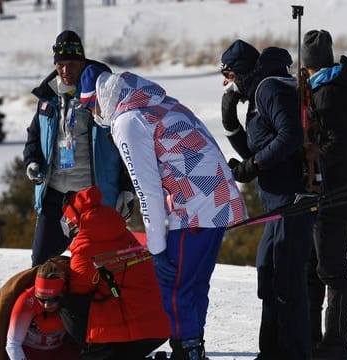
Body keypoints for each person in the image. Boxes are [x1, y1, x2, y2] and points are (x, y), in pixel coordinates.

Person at [80, 66, 247, 360]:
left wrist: (156, 249)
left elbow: (148, 192)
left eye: (90, 105)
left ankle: (187, 351)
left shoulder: (128, 122)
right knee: (194, 284)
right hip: (217, 200)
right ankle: (193, 347)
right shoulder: (156, 103)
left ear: (103, 97)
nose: (93, 114)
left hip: (194, 207)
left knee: (173, 286)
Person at [219, 40, 314, 359]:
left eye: (230, 75)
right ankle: (272, 350)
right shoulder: (261, 92)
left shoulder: (269, 90)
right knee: (268, 273)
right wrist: (232, 128)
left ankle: (295, 352)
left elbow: (291, 137)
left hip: (293, 199)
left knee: (287, 280)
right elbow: (257, 150)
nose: (228, 83)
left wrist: (254, 166)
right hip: (278, 201)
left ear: (243, 71)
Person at [23, 30, 133, 267]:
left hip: (92, 196)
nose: (65, 70)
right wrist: (32, 161)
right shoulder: (48, 97)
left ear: (83, 63)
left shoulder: (105, 94)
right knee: (41, 264)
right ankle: (45, 305)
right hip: (54, 194)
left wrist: (126, 188)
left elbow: (127, 145)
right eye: (60, 64)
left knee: (95, 266)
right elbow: (34, 135)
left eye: (71, 64)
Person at [301, 30, 347, 360]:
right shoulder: (336, 88)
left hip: (333, 194)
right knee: (315, 269)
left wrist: (314, 152)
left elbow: (338, 145)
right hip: (334, 194)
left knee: (331, 271)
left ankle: (335, 342)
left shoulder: (329, 93)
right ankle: (314, 337)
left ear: (311, 65)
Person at [60, 186, 170, 359]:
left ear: (74, 219)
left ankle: (96, 352)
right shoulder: (120, 230)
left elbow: (79, 292)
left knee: (67, 304)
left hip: (134, 332)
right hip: (158, 326)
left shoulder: (85, 246)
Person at [5, 258, 80, 360]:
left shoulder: (73, 296)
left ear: (64, 290)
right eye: (41, 299)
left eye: (54, 299)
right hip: (29, 354)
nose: (47, 305)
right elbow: (13, 343)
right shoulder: (27, 300)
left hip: (62, 352)